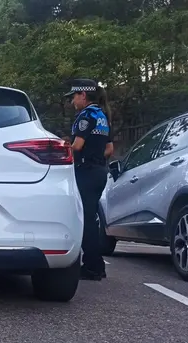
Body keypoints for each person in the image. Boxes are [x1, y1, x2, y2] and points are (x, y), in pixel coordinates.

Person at [64, 78, 112, 281]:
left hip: (86, 171)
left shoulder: (85, 116)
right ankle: (97, 265)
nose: (73, 101)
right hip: (100, 172)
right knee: (90, 218)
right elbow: (110, 149)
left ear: (83, 95)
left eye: (74, 96)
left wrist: (62, 146)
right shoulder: (103, 116)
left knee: (84, 220)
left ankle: (92, 266)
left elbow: (77, 146)